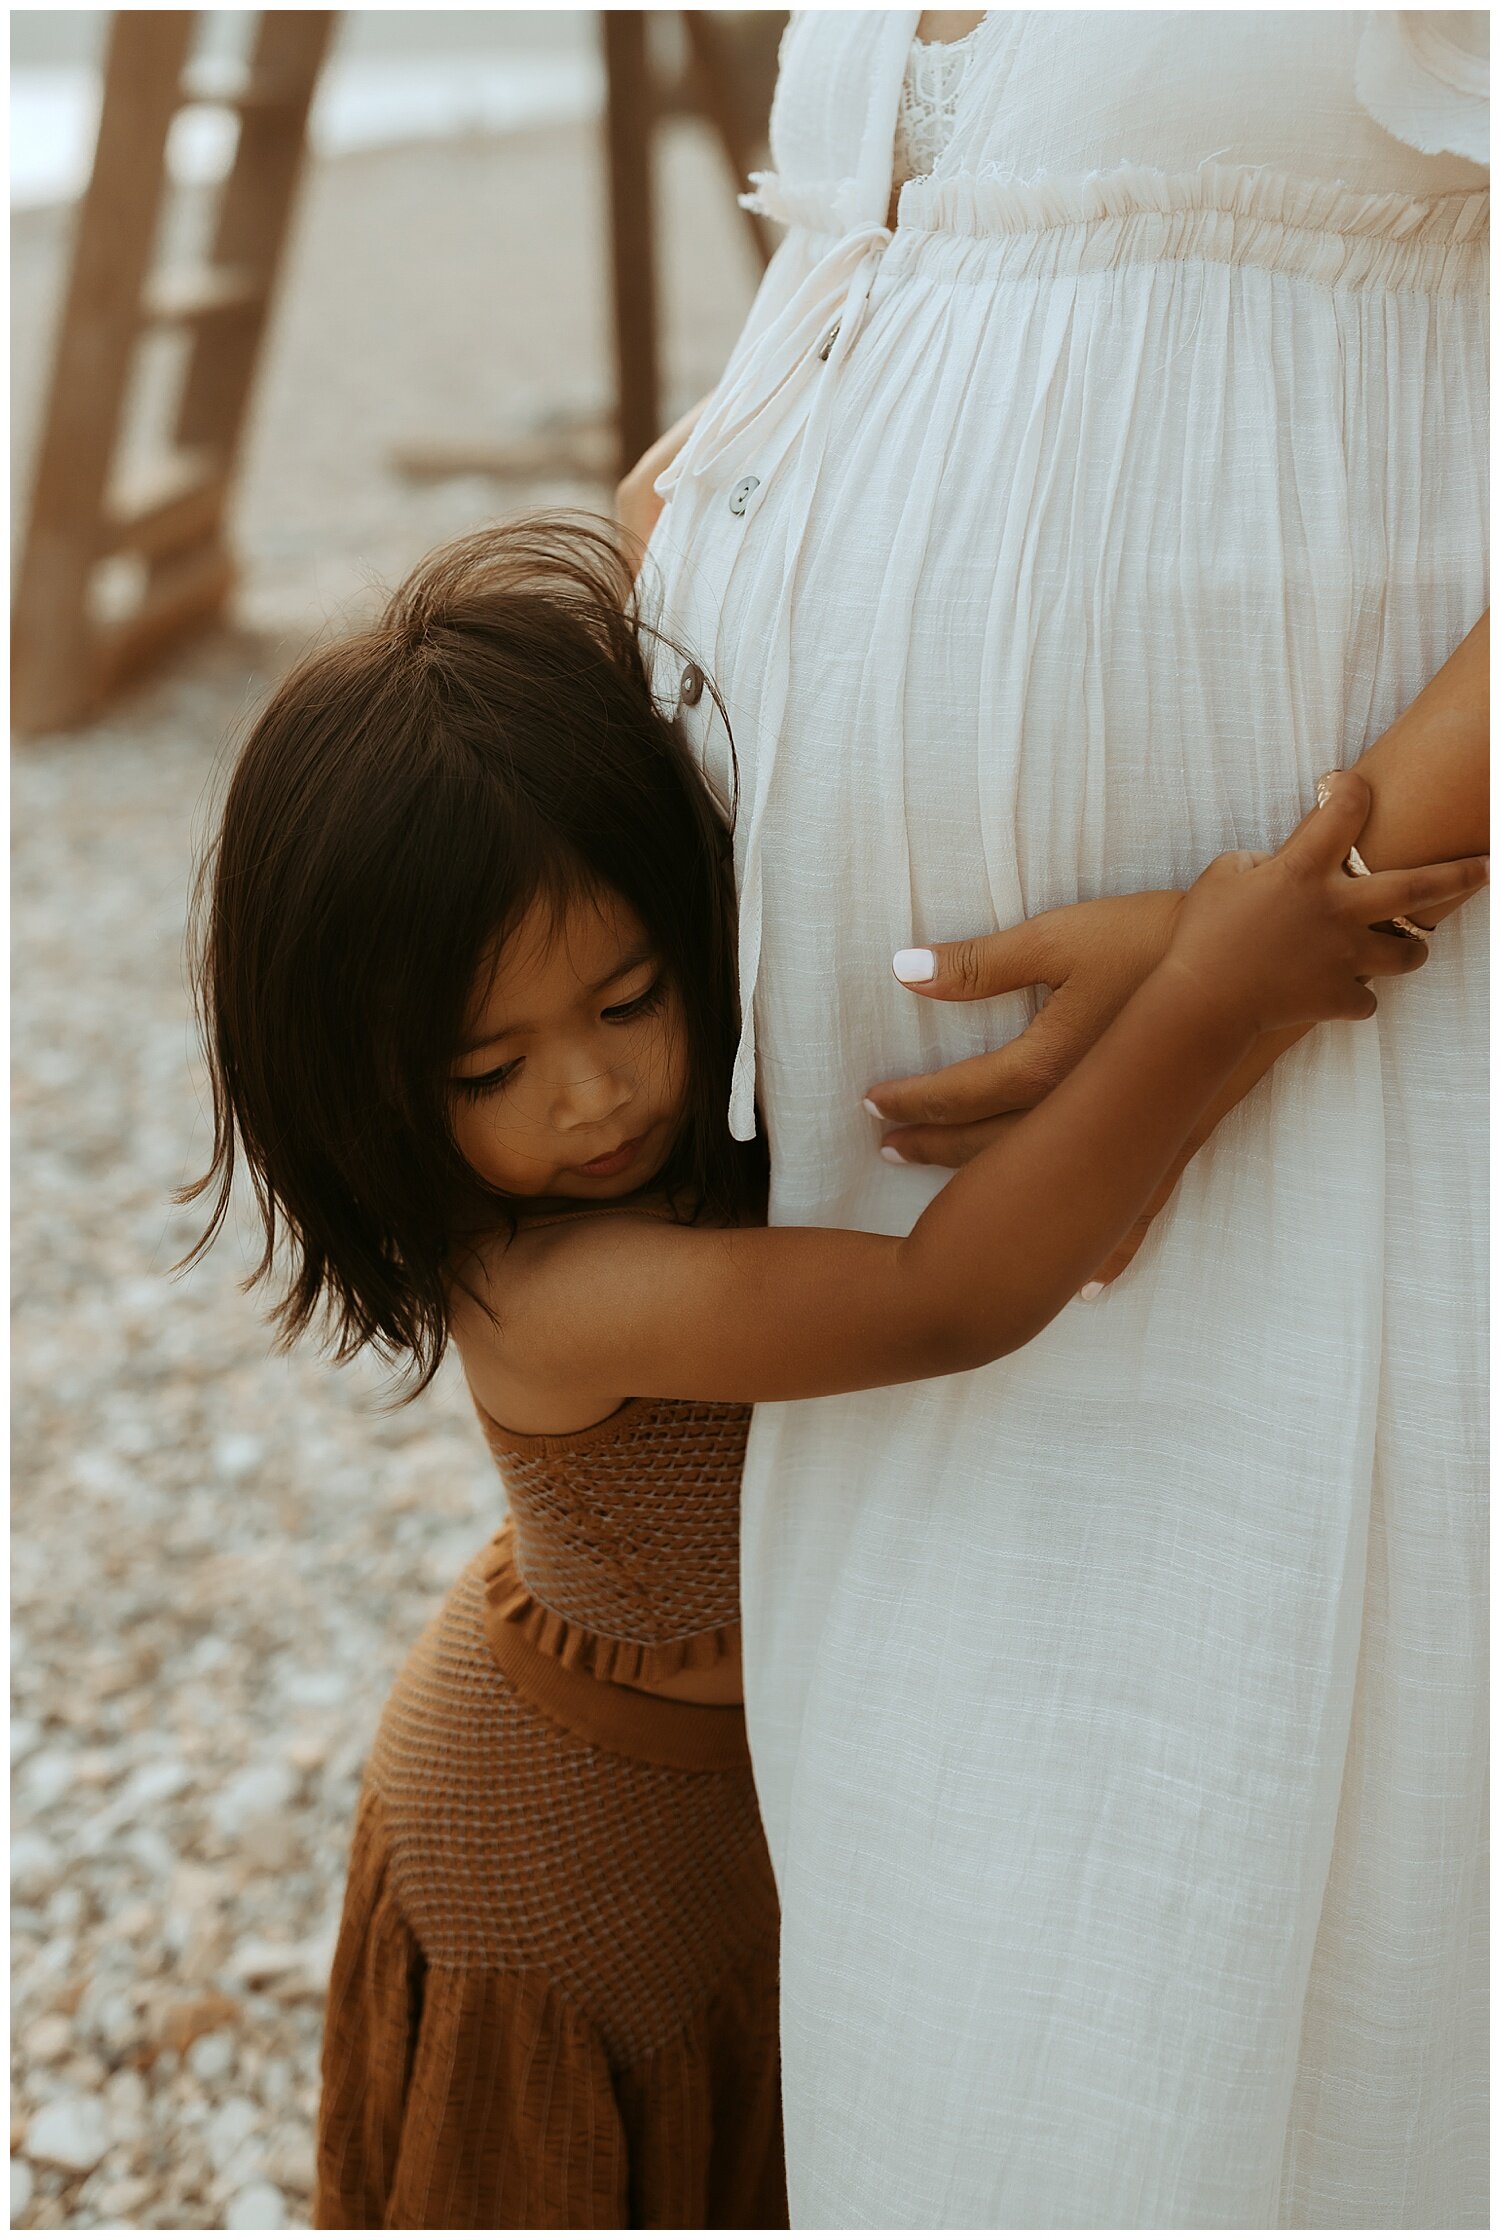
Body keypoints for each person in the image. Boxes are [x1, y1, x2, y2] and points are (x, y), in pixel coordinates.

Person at [182, 520, 1478, 2229]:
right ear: (354, 1082)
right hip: (569, 1866)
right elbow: (949, 1297)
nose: (591, 1099)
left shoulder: (661, 1151)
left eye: (631, 1001)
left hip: (733, 1825)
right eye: (492, 1065)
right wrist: (1213, 995)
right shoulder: (556, 1285)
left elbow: (670, 491)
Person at [632, 9, 1489, 2227]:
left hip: (1335, 1108)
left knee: (1231, 2041)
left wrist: (1294, 904)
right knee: (950, 2052)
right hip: (896, 1241)